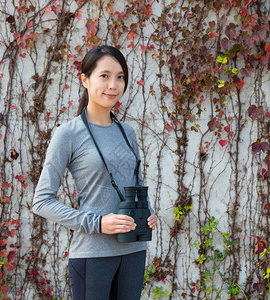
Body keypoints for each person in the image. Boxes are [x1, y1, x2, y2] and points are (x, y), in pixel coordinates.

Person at [32, 45, 157, 300]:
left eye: (120, 77)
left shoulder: (128, 132)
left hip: (134, 249)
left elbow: (136, 182)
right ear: (84, 80)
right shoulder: (68, 134)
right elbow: (41, 201)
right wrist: (98, 223)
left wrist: (148, 212)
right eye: (104, 75)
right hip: (93, 254)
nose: (113, 85)